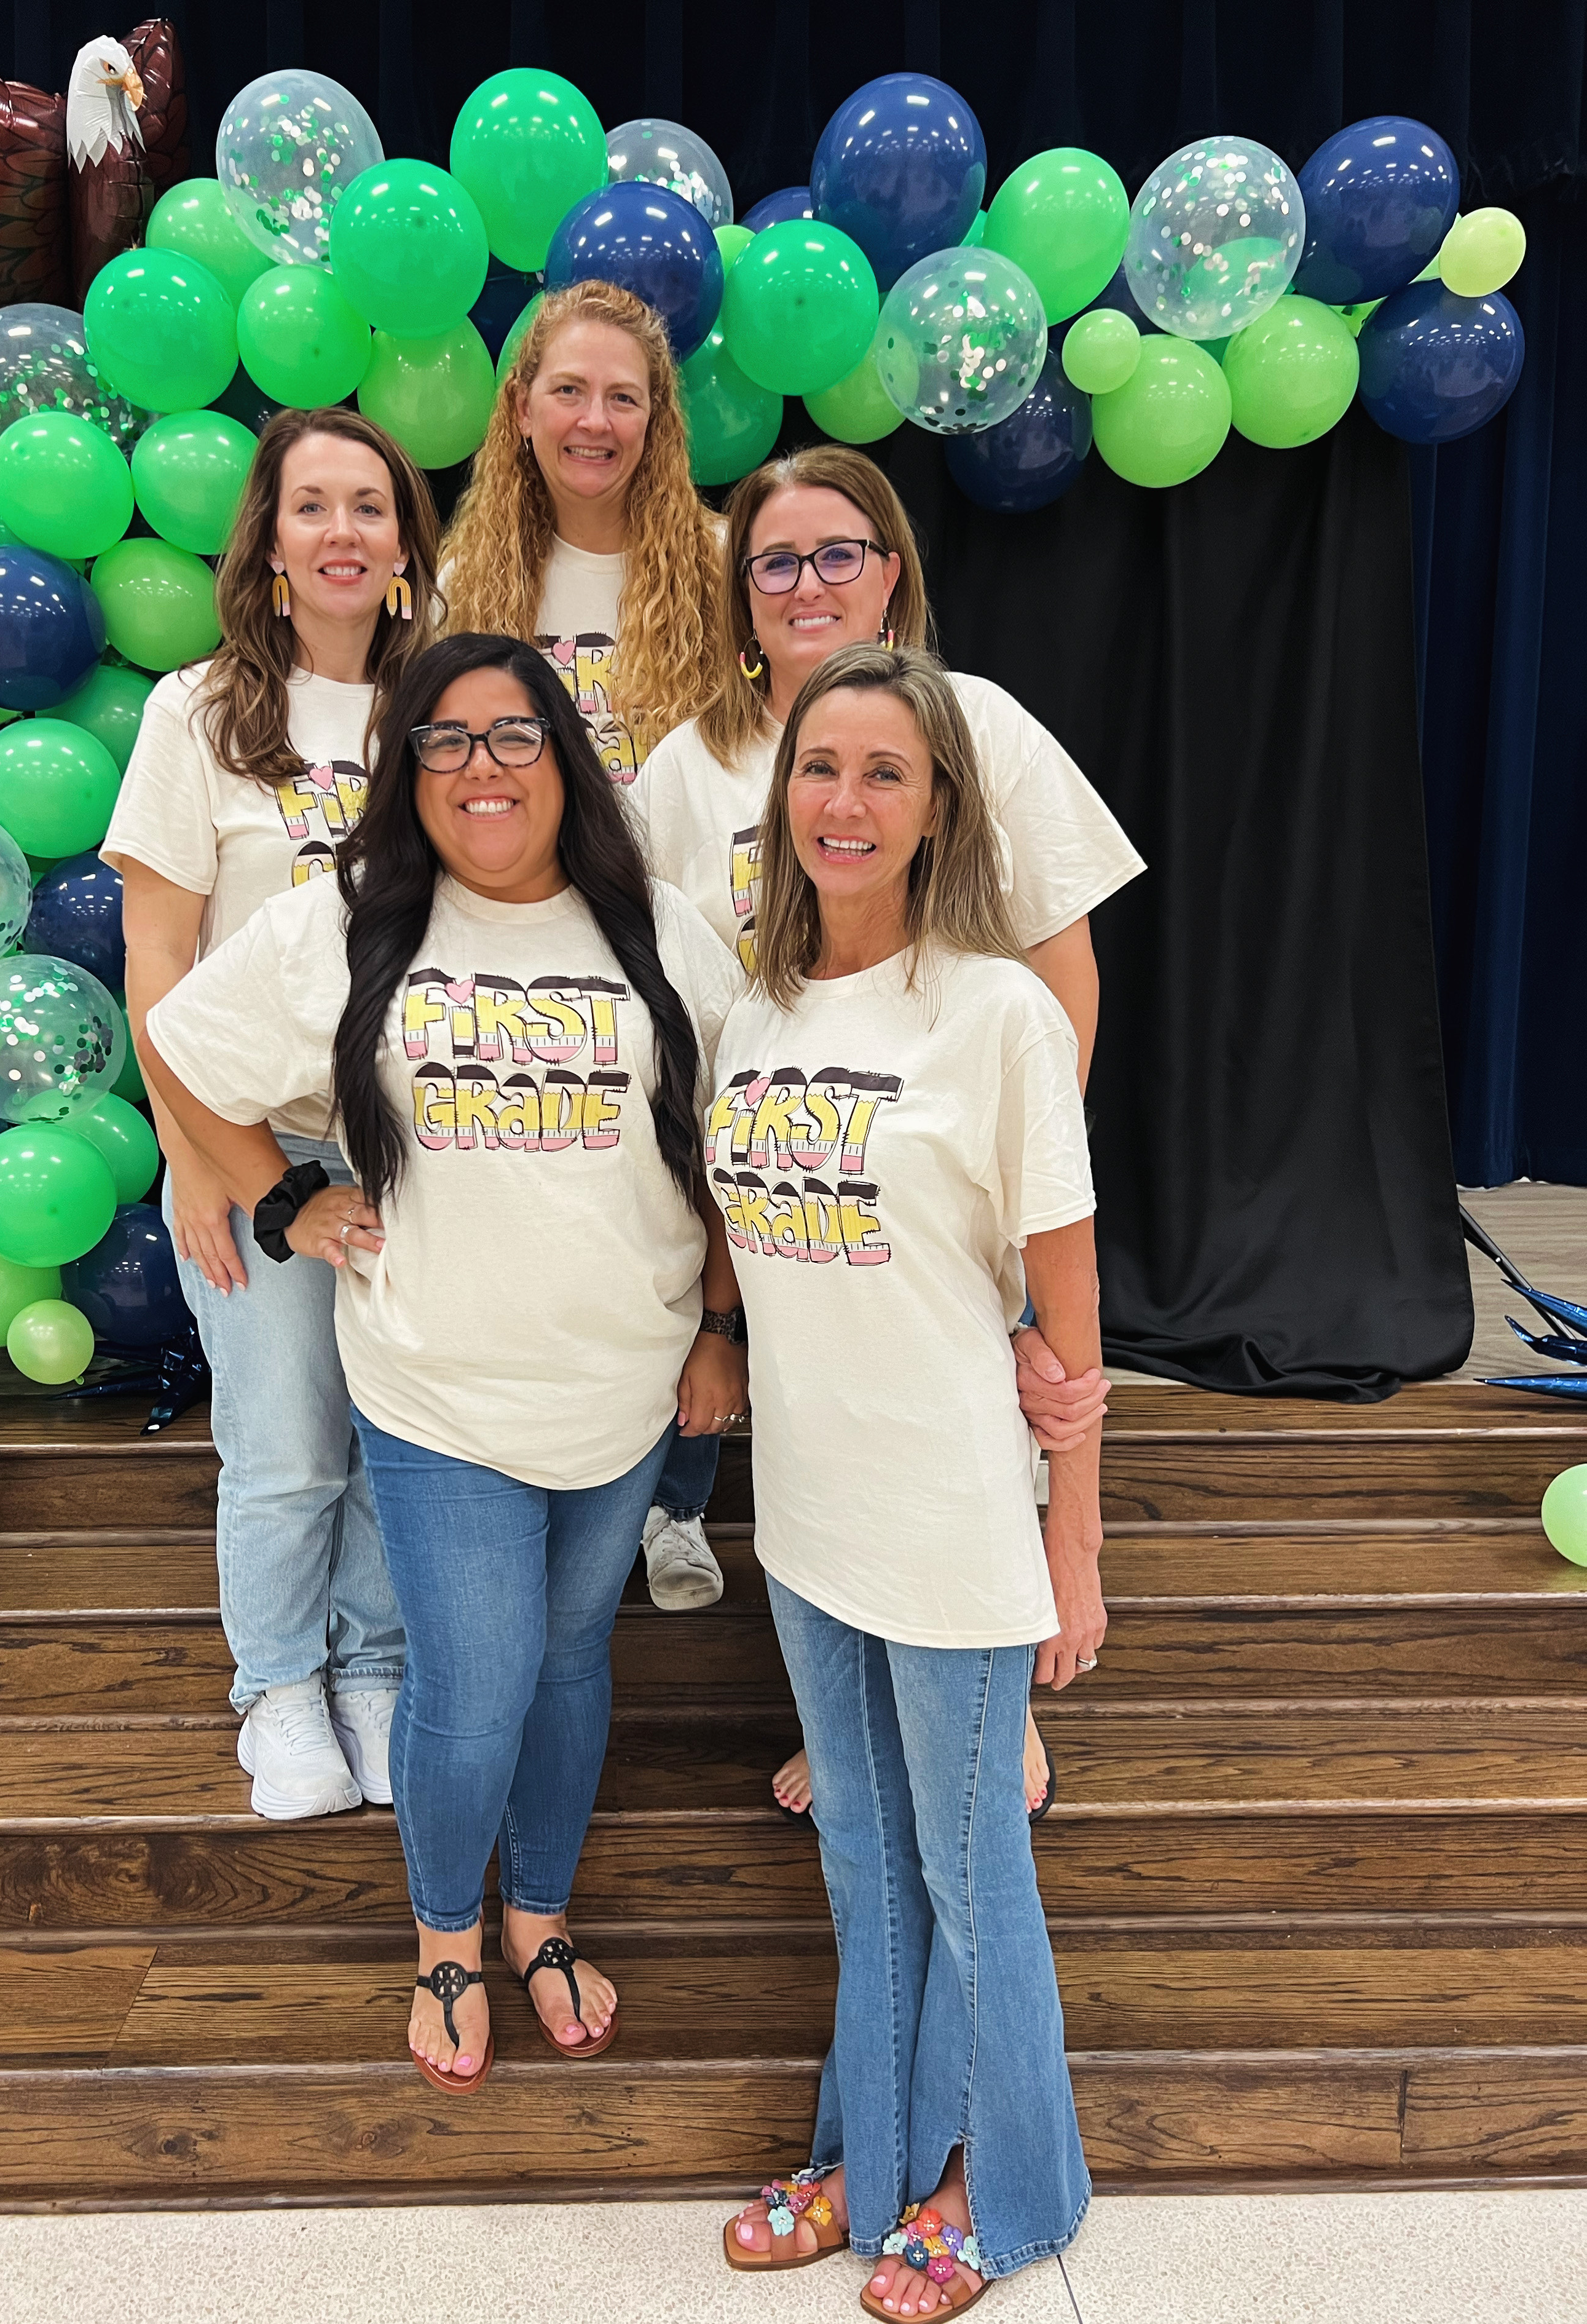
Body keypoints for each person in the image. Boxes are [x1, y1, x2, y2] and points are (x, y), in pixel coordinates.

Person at [140, 632, 747, 2091]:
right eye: (446, 740)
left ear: (566, 757)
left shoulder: (660, 928)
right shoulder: (346, 922)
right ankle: (443, 1940)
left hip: (624, 1382)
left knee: (574, 1665)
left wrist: (721, 1332)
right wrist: (282, 1198)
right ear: (406, 768)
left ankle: (538, 1916)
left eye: (515, 735)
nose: (484, 767)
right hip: (436, 1388)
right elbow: (177, 1045)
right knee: (476, 1685)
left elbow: (733, 1148)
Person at [633, 441, 1140, 1817]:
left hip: (934, 1177)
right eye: (774, 563)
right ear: (741, 596)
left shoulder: (977, 721)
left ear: (890, 574)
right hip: (774, 1174)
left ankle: (985, 1714)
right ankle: (851, 1718)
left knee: (967, 1427)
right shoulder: (690, 768)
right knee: (818, 1452)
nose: (806, 584)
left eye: (836, 553)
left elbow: (1064, 968)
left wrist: (1017, 1227)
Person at [718, 644, 1100, 2314]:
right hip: (805, 1512)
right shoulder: (757, 1004)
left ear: (940, 805)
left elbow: (1073, 1339)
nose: (846, 802)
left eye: (886, 771)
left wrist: (1072, 1556)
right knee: (864, 1869)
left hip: (952, 1516)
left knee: (971, 1877)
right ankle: (871, 2162)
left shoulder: (1000, 1009)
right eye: (821, 768)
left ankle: (1012, 2191)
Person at [108, 408, 439, 1824]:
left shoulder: (444, 706)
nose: (344, 533)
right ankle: (279, 1690)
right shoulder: (199, 711)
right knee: (289, 1438)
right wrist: (198, 1159)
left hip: (420, 1144)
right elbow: (159, 965)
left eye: (370, 507)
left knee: (394, 1427)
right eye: (314, 508)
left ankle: (371, 1671)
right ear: (272, 542)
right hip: (257, 1141)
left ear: (406, 544)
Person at [439, 278, 730, 1615]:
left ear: (660, 416)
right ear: (523, 404)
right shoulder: (466, 574)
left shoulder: (718, 564)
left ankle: (681, 1498)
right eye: (571, 389)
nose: (596, 418)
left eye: (624, 395)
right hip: (522, 956)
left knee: (685, 1207)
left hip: (677, 951)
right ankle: (547, 1493)